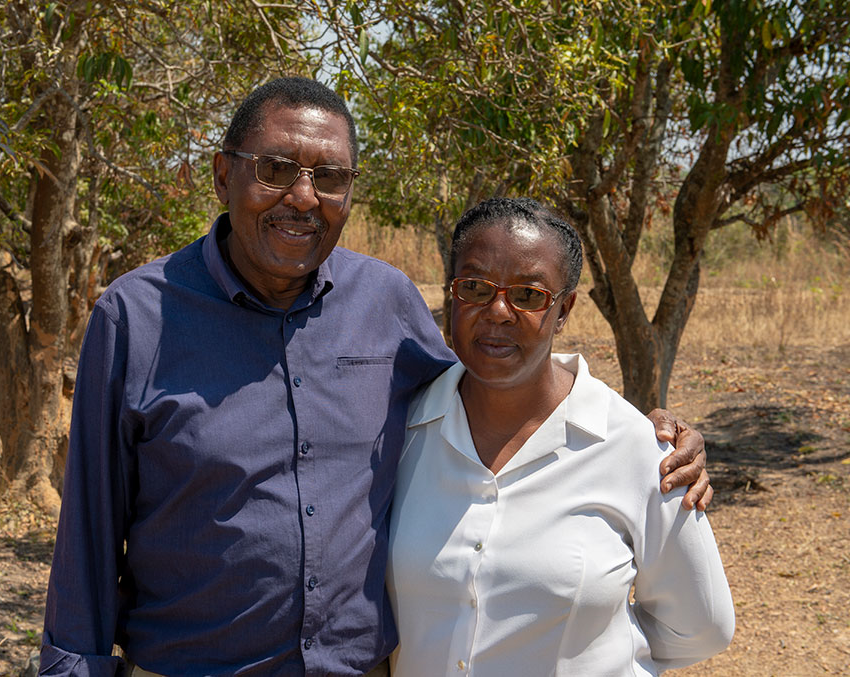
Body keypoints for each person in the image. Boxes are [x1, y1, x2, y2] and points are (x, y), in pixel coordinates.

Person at [40, 78, 711, 677]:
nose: (302, 198)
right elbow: (90, 539)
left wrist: (639, 430)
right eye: (275, 169)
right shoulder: (137, 316)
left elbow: (490, 385)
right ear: (223, 175)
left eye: (329, 178)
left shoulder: (384, 301)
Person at [387, 197, 734, 676]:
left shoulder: (635, 447)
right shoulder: (401, 429)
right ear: (452, 294)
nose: (498, 311)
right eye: (475, 287)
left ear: (565, 308)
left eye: (528, 295)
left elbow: (702, 627)